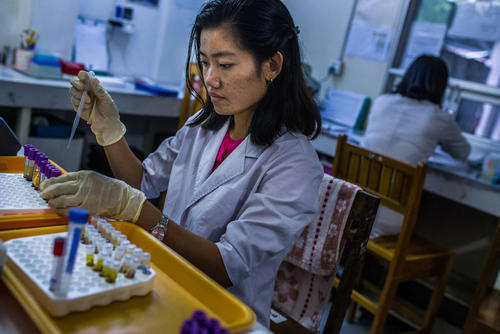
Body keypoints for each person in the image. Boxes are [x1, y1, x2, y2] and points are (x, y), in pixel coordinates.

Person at [40, 0, 323, 326]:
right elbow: (141, 182)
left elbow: (227, 265)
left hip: (219, 315)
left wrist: (135, 210)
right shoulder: (205, 127)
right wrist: (109, 131)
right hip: (159, 280)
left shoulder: (295, 166)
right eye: (205, 62)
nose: (210, 79)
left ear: (272, 65)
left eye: (226, 65)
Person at [361, 55, 470, 237]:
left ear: (408, 75)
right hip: (390, 219)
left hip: (353, 203)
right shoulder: (438, 118)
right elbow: (464, 153)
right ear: (441, 87)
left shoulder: (382, 101)